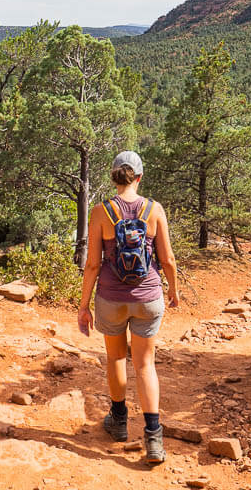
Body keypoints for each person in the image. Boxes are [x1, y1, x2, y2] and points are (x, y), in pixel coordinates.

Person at [78, 150, 179, 464]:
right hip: (148, 297)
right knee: (145, 365)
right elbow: (168, 259)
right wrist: (173, 291)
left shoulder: (100, 212)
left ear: (114, 176)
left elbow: (93, 264)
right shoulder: (154, 209)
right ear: (139, 176)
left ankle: (119, 422)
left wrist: (83, 306)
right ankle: (153, 439)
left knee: (116, 357)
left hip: (111, 297)